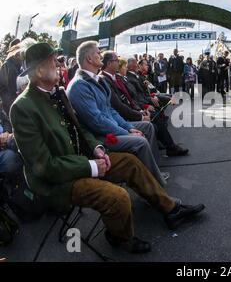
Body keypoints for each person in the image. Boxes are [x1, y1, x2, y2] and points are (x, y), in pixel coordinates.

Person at [10, 42, 205, 254]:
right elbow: (44, 167)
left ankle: (170, 209)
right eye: (53, 62)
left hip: (82, 161)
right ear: (39, 70)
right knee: (118, 196)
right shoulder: (23, 107)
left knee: (131, 162)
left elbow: (81, 129)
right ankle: (120, 237)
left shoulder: (57, 93)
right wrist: (91, 166)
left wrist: (96, 149)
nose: (59, 65)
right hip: (59, 182)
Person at [66, 41, 169, 186]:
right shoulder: (79, 86)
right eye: (97, 53)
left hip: (113, 129)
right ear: (89, 58)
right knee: (140, 142)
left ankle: (153, 171)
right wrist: (126, 132)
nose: (100, 55)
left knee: (147, 127)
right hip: (101, 137)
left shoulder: (97, 80)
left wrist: (128, 127)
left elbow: (110, 110)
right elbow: (97, 121)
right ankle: (154, 184)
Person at [100, 51, 188, 157]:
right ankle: (167, 149)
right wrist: (140, 114)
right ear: (109, 63)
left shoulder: (116, 78)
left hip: (134, 109)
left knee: (156, 117)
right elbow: (119, 106)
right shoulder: (105, 80)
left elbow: (132, 99)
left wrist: (141, 110)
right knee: (153, 123)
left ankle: (168, 146)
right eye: (117, 61)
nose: (120, 65)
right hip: (124, 117)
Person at [0, 39, 23, 114]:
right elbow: (3, 88)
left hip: (17, 104)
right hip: (9, 106)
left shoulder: (20, 66)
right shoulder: (7, 65)